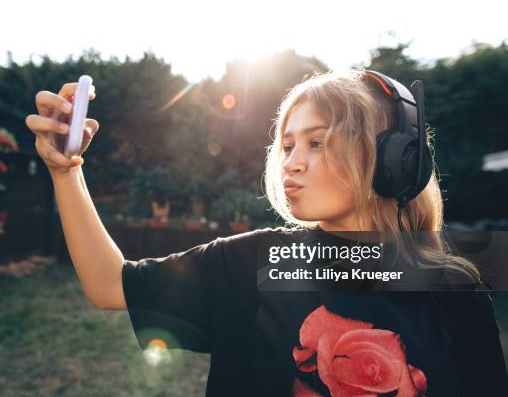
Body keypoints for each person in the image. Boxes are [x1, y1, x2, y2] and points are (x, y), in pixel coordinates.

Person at [25, 69, 508, 396]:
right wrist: (67, 174)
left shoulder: (456, 289)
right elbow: (110, 284)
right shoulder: (251, 262)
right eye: (287, 144)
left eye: (317, 142)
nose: (291, 163)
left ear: (392, 158)